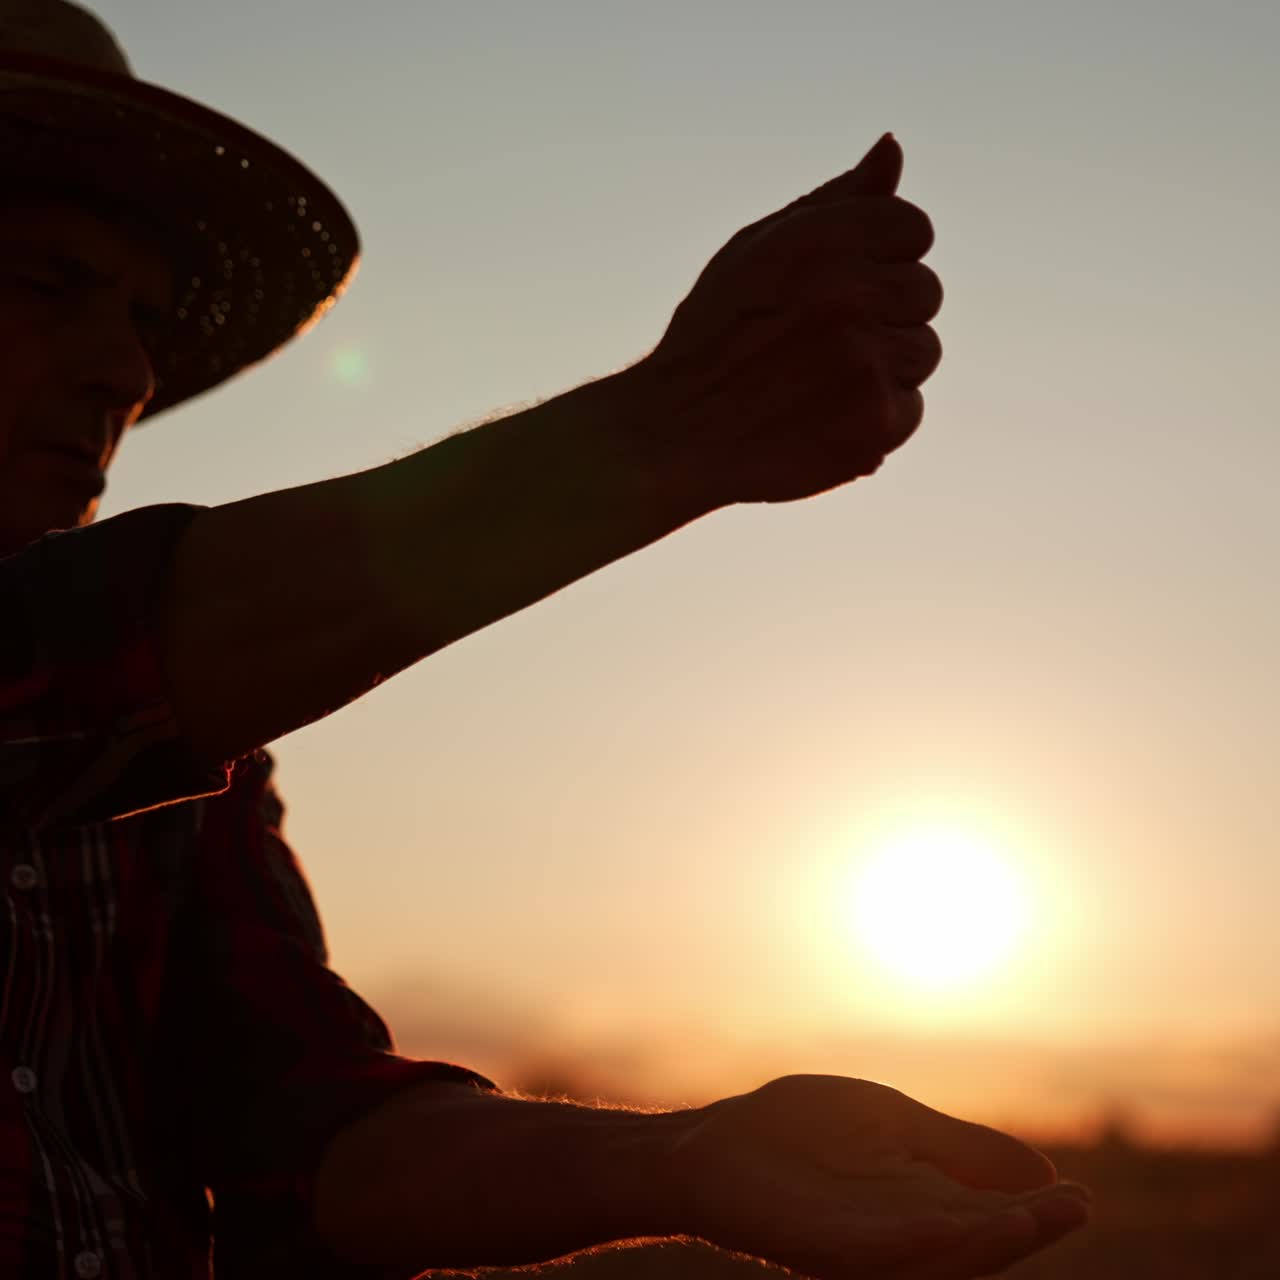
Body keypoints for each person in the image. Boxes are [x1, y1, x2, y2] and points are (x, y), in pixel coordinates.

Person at [0, 2, 1091, 1277]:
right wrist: (658, 436)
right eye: (44, 284)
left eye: (145, 316)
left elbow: (309, 1132)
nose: (127, 365)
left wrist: (673, 1158)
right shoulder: (159, 683)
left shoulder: (196, 758)